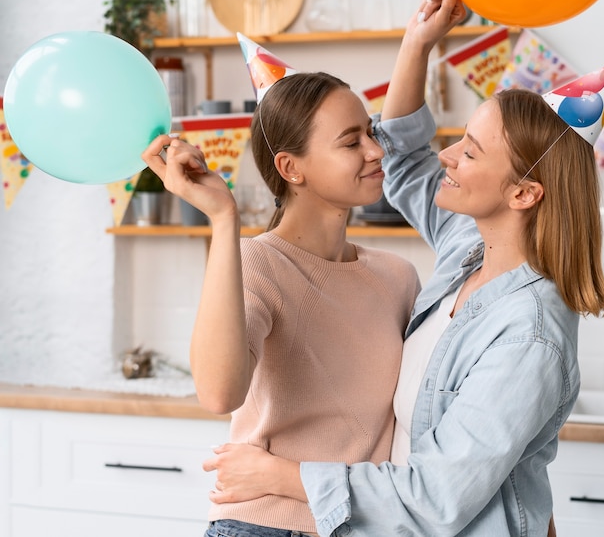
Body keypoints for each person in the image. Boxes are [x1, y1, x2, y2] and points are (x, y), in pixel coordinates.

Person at [201, 0, 604, 536]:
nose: (447, 154)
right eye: (355, 140)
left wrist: (281, 474)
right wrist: (417, 45)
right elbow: (406, 161)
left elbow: (437, 496)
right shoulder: (463, 253)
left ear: (522, 194)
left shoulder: (525, 334)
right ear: (290, 168)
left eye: (469, 150)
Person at [142, 68, 421, 536]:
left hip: (362, 524)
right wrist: (224, 220)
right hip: (265, 527)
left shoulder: (398, 277)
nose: (376, 151)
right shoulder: (257, 262)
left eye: (371, 133)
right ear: (292, 168)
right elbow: (218, 393)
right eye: (352, 142)